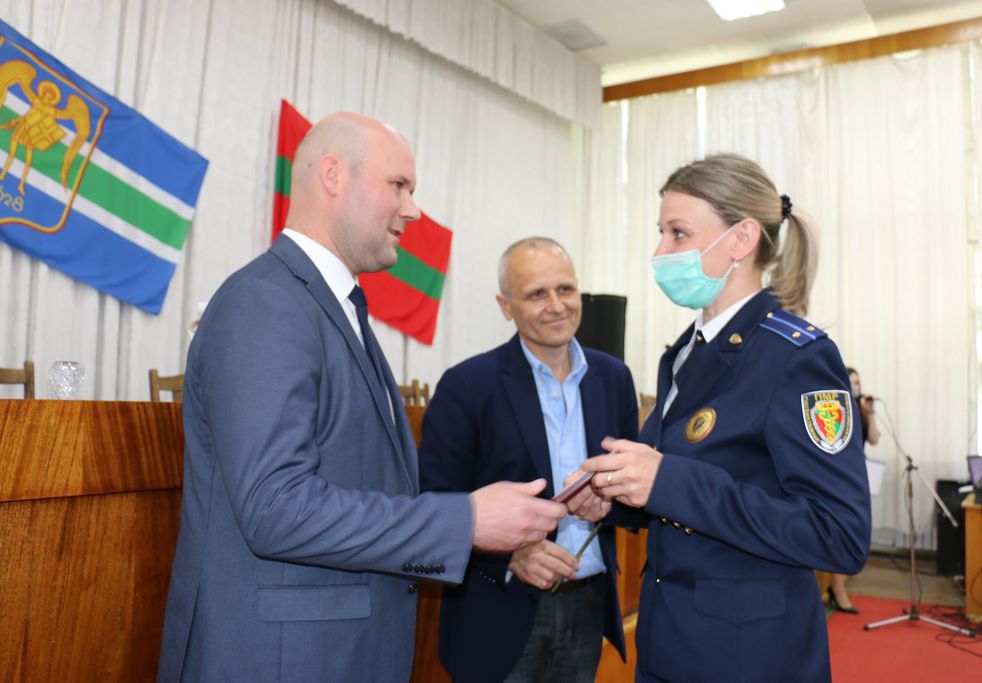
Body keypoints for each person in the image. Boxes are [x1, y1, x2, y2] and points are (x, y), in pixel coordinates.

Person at [157, 113, 566, 683]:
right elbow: (275, 508)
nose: (412, 210)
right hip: (282, 661)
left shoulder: (334, 305)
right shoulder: (266, 302)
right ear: (333, 176)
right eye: (398, 185)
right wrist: (465, 521)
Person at [576, 153, 871, 682]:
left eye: (678, 233)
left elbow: (839, 534)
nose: (660, 251)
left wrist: (668, 481)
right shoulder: (686, 352)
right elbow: (673, 486)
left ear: (742, 239)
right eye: (661, 233)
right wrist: (614, 497)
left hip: (748, 657)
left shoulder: (796, 357)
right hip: (669, 642)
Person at [418, 237, 638, 682]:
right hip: (498, 609)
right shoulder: (466, 386)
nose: (556, 305)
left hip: (589, 603)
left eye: (565, 289)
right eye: (537, 294)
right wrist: (506, 556)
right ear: (506, 306)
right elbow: (432, 506)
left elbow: (634, 488)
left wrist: (610, 504)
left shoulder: (614, 378)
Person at [827, 366, 881, 614]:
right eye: (851, 382)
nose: (855, 386)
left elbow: (874, 439)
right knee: (841, 531)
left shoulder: (860, 409)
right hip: (839, 477)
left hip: (859, 474)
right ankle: (837, 589)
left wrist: (871, 414)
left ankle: (839, 585)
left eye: (858, 382)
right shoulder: (836, 408)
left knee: (855, 529)